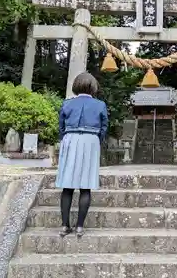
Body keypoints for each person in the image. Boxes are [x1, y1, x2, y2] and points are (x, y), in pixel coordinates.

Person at [55, 72, 108, 238]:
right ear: (93, 87)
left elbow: (61, 126)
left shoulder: (67, 103)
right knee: (86, 186)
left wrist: (66, 138)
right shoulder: (100, 105)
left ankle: (64, 226)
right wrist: (96, 140)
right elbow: (104, 126)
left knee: (67, 185)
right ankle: (79, 227)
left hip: (70, 138)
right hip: (91, 140)